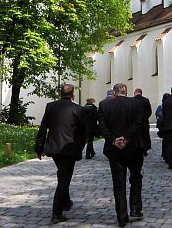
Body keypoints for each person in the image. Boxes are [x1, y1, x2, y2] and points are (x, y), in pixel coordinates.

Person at [35, 84, 86, 224]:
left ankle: (66, 202)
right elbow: (83, 132)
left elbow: (43, 127)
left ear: (60, 93)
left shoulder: (50, 106)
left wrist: (39, 148)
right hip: (69, 149)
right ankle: (56, 213)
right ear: (73, 94)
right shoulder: (78, 109)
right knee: (64, 180)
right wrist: (79, 148)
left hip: (54, 148)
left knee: (62, 174)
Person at [98, 83, 146, 227]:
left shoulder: (104, 105)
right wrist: (127, 138)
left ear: (114, 92)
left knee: (118, 182)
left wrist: (115, 139)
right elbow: (139, 123)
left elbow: (102, 126)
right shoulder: (136, 104)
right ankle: (136, 209)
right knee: (136, 177)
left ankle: (121, 217)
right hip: (134, 147)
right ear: (126, 91)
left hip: (115, 149)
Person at [132, 88, 152, 155]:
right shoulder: (146, 100)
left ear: (135, 92)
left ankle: (137, 149)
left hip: (135, 122)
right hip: (144, 122)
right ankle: (145, 149)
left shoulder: (132, 100)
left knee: (136, 136)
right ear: (141, 93)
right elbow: (150, 111)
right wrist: (145, 118)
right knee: (145, 135)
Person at [155, 93, 170, 161]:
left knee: (164, 141)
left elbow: (156, 115)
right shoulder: (169, 106)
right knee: (168, 141)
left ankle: (164, 154)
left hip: (161, 126)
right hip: (168, 126)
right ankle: (167, 155)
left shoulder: (160, 106)